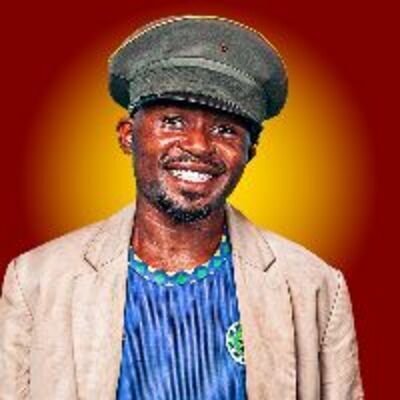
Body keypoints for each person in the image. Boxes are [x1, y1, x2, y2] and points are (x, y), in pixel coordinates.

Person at [0, 15, 364, 400]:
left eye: (225, 130)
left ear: (249, 152)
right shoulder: (36, 280)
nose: (199, 146)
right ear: (128, 136)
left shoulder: (315, 287)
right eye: (173, 121)